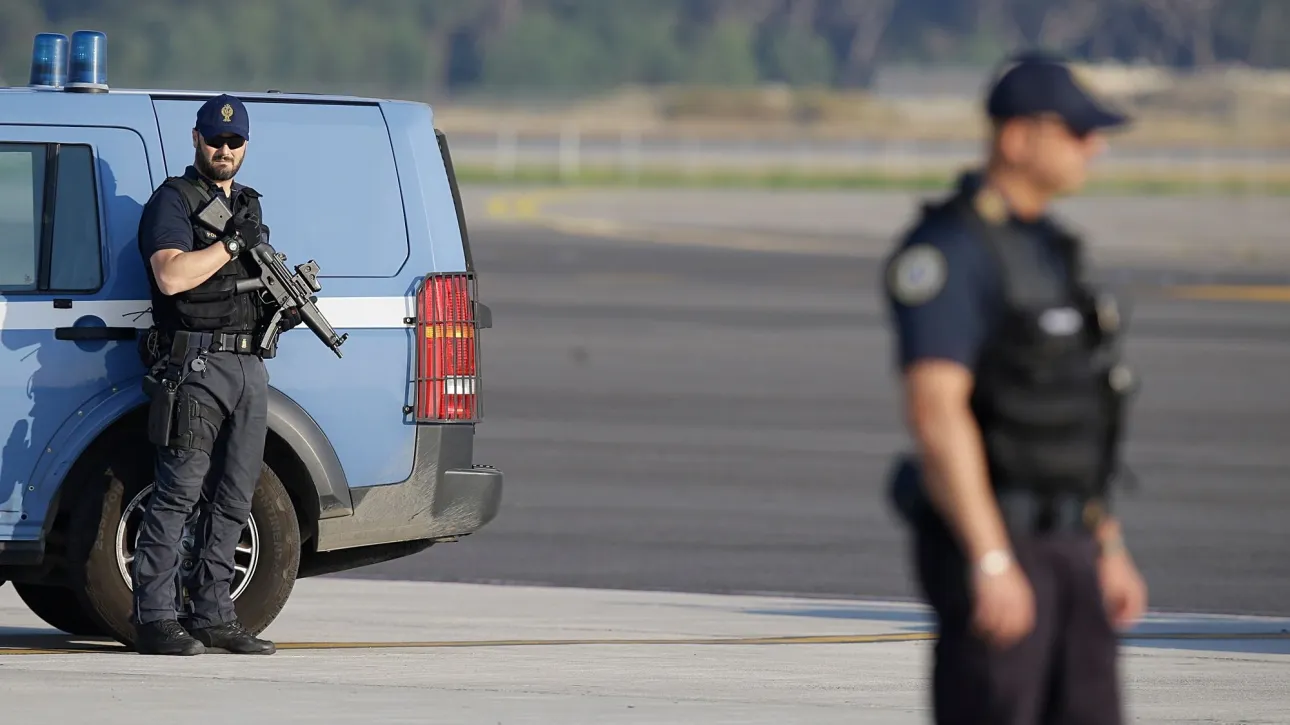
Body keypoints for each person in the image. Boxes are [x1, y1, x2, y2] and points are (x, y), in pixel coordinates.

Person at [881, 52, 1149, 724]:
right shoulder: (950, 251)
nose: (1096, 148)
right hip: (1003, 539)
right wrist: (991, 557)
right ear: (1017, 137)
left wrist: (1107, 545)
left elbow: (1075, 417)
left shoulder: (1054, 251)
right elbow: (936, 410)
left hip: (1072, 547)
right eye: (1078, 132)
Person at [132, 94, 296, 656]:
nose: (224, 149)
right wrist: (230, 245)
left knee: (235, 495)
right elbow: (172, 277)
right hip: (196, 364)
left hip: (248, 364)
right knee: (178, 492)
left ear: (245, 146)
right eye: (215, 140)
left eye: (234, 142)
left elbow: (253, 280)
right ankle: (154, 617)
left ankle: (213, 614)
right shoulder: (172, 203)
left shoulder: (248, 206)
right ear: (196, 139)